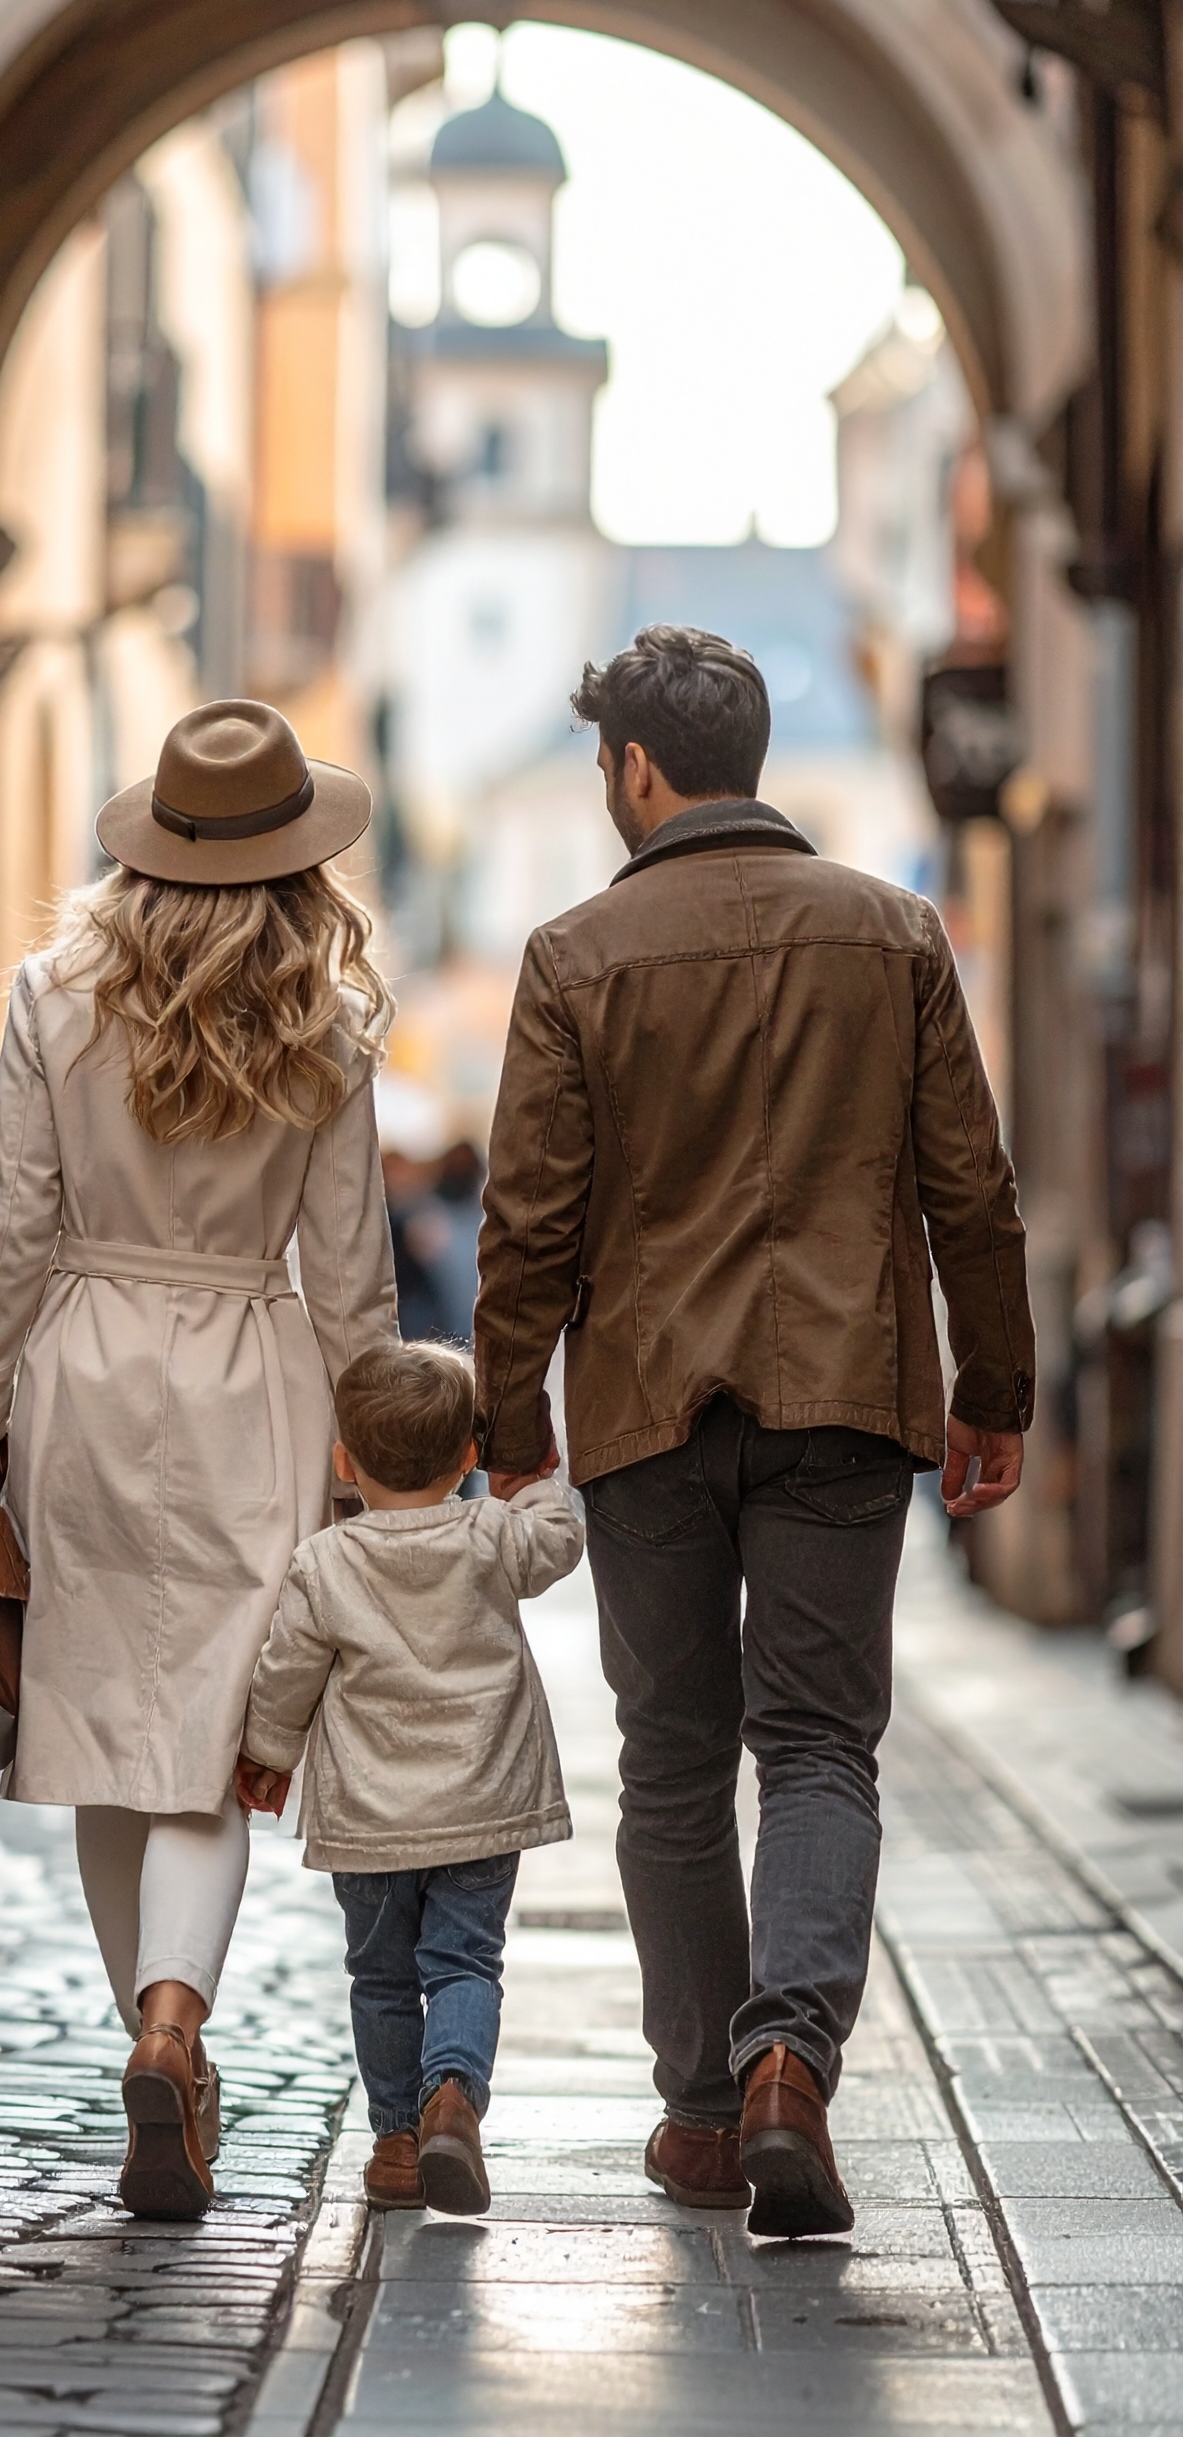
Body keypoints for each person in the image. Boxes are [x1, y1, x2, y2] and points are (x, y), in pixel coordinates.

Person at [473, 624, 1034, 2239]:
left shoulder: (575, 957)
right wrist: (992, 1389)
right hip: (846, 1393)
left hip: (648, 1408)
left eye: (602, 765)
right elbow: (972, 1190)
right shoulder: (894, 933)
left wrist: (511, 1420)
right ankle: (794, 2058)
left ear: (639, 768)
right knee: (818, 1745)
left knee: (669, 1760)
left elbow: (527, 1225)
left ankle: (710, 2116)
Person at [0, 700, 398, 2222]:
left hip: (78, 1373)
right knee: (208, 1736)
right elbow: (351, 1273)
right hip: (247, 1384)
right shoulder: (323, 1024)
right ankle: (175, 2025)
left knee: (99, 1741)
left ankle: (150, 2030)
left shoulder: (51, 991)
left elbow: (7, 1231)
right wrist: (370, 1452)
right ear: (294, 860)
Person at [235, 1340, 582, 2214]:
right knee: (465, 1963)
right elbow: (562, 1537)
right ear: (468, 1457)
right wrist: (532, 1473)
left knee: (381, 1976)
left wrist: (268, 1757)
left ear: (345, 1463)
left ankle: (395, 2143)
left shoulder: (325, 1562)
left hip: (371, 1818)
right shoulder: (492, 1535)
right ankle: (453, 2097)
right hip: (482, 1801)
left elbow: (286, 1673)